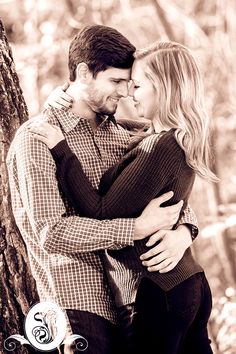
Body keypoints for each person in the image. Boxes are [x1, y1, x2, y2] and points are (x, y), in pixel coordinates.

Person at [7, 25, 198, 354]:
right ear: (83, 73)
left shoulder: (124, 133)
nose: (125, 92)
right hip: (78, 304)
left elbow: (165, 184)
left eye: (129, 82)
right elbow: (52, 232)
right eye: (116, 81)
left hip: (131, 301)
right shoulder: (37, 138)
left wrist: (185, 230)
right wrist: (134, 228)